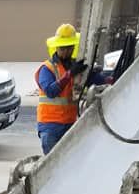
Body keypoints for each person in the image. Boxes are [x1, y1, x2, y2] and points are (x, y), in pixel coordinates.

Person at [35, 23, 110, 155]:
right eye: (63, 48)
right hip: (50, 126)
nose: (66, 51)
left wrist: (107, 79)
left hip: (69, 124)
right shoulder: (47, 69)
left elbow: (96, 80)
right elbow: (51, 91)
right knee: (53, 166)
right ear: (56, 47)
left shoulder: (76, 66)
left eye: (69, 47)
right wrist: (69, 74)